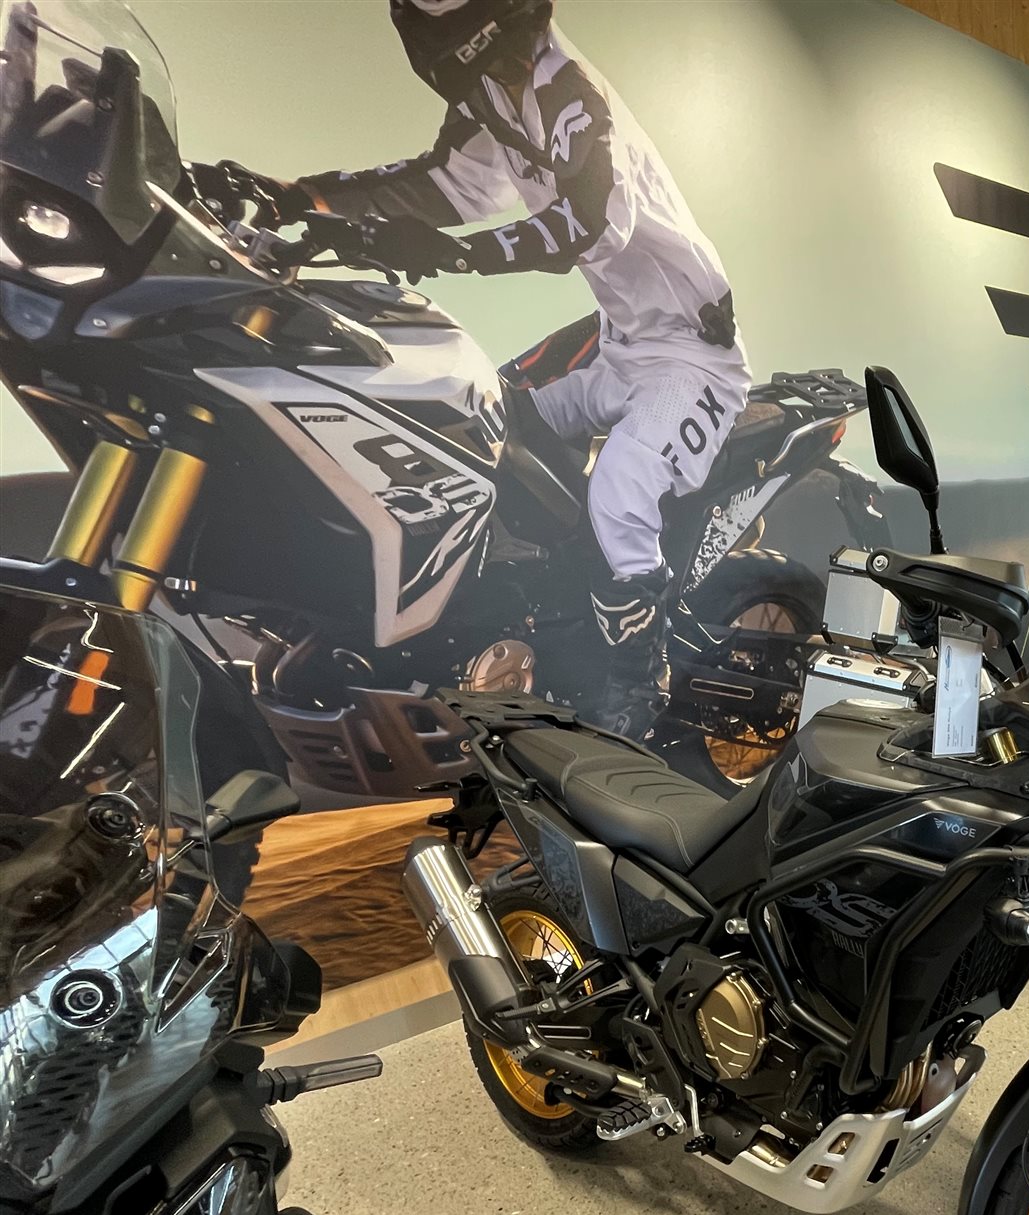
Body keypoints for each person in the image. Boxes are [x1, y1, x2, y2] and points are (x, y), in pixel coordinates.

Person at [193, 0, 749, 738]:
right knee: (484, 427)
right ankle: (534, 614)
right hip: (618, 345)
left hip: (690, 356)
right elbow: (445, 184)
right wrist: (298, 196)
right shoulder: (495, 92)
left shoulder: (573, 96)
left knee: (620, 491)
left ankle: (638, 682)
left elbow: (589, 225)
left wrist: (452, 254)